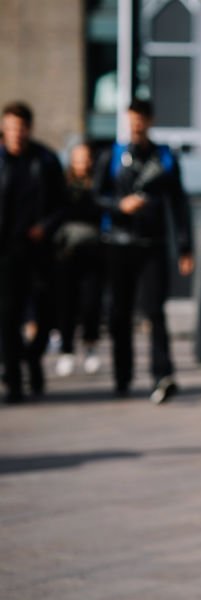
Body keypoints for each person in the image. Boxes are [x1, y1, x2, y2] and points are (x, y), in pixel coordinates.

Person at [93, 99, 193, 403]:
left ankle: (163, 375)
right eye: (132, 119)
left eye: (141, 120)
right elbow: (96, 196)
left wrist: (185, 246)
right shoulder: (111, 155)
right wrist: (119, 205)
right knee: (119, 313)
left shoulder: (165, 158)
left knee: (154, 311)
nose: (136, 125)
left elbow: (178, 204)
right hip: (119, 244)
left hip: (153, 245)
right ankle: (122, 376)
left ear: (150, 121)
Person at [0, 101, 66, 404]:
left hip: (39, 250)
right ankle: (14, 382)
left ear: (29, 128)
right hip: (6, 252)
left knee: (47, 313)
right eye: (10, 128)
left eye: (21, 128)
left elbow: (63, 205)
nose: (16, 134)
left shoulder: (46, 160)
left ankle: (32, 359)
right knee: (9, 318)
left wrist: (46, 226)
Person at [54, 143, 104, 377]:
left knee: (91, 303)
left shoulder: (99, 184)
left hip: (94, 255)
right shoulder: (62, 186)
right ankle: (67, 350)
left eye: (86, 159)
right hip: (67, 254)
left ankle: (91, 346)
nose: (82, 163)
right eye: (78, 159)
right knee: (66, 304)